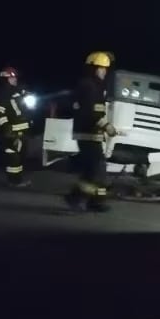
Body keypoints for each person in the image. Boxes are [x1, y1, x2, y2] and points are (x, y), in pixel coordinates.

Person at [64, 51, 118, 212]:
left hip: (92, 133)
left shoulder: (96, 86)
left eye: (105, 69)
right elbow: (91, 111)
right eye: (100, 68)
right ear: (92, 69)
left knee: (96, 168)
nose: (103, 71)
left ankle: (96, 201)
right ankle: (76, 197)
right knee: (95, 168)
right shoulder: (89, 86)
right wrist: (107, 126)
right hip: (87, 132)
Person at [0, 66, 31, 187]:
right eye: (12, 78)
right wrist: (7, 129)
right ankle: (14, 181)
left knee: (20, 156)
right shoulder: (2, 94)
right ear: (6, 79)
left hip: (22, 130)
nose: (15, 80)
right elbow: (0, 114)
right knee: (13, 157)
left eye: (15, 78)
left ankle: (16, 180)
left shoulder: (16, 92)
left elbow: (23, 108)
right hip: (12, 131)